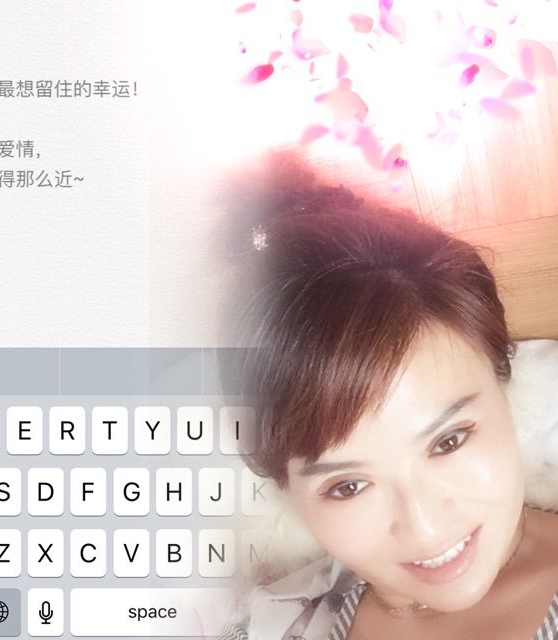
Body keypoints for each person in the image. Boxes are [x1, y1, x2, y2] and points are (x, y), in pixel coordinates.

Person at [219, 169, 558, 640]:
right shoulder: (268, 624)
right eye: (349, 486)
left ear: (504, 384)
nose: (424, 527)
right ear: (287, 487)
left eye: (448, 441)